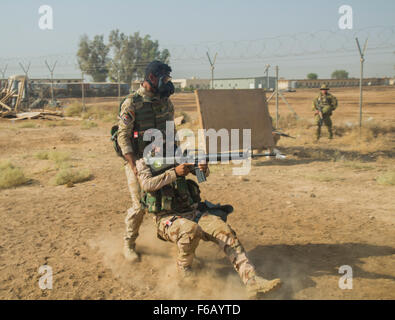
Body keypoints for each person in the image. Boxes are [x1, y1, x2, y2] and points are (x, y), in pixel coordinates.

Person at [135, 143, 282, 299]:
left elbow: (202, 178)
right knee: (190, 230)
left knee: (224, 231)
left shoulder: (181, 153)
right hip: (166, 219)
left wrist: (202, 168)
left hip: (192, 211)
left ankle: (252, 281)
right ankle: (185, 271)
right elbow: (146, 184)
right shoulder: (144, 161)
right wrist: (174, 173)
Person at [116, 60, 175, 262]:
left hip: (162, 159)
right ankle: (129, 244)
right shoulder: (132, 103)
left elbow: (171, 131)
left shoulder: (165, 102)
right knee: (140, 205)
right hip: (139, 161)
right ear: (152, 78)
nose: (167, 83)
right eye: (164, 79)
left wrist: (176, 156)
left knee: (170, 200)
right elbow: (122, 136)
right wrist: (133, 165)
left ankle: (179, 243)